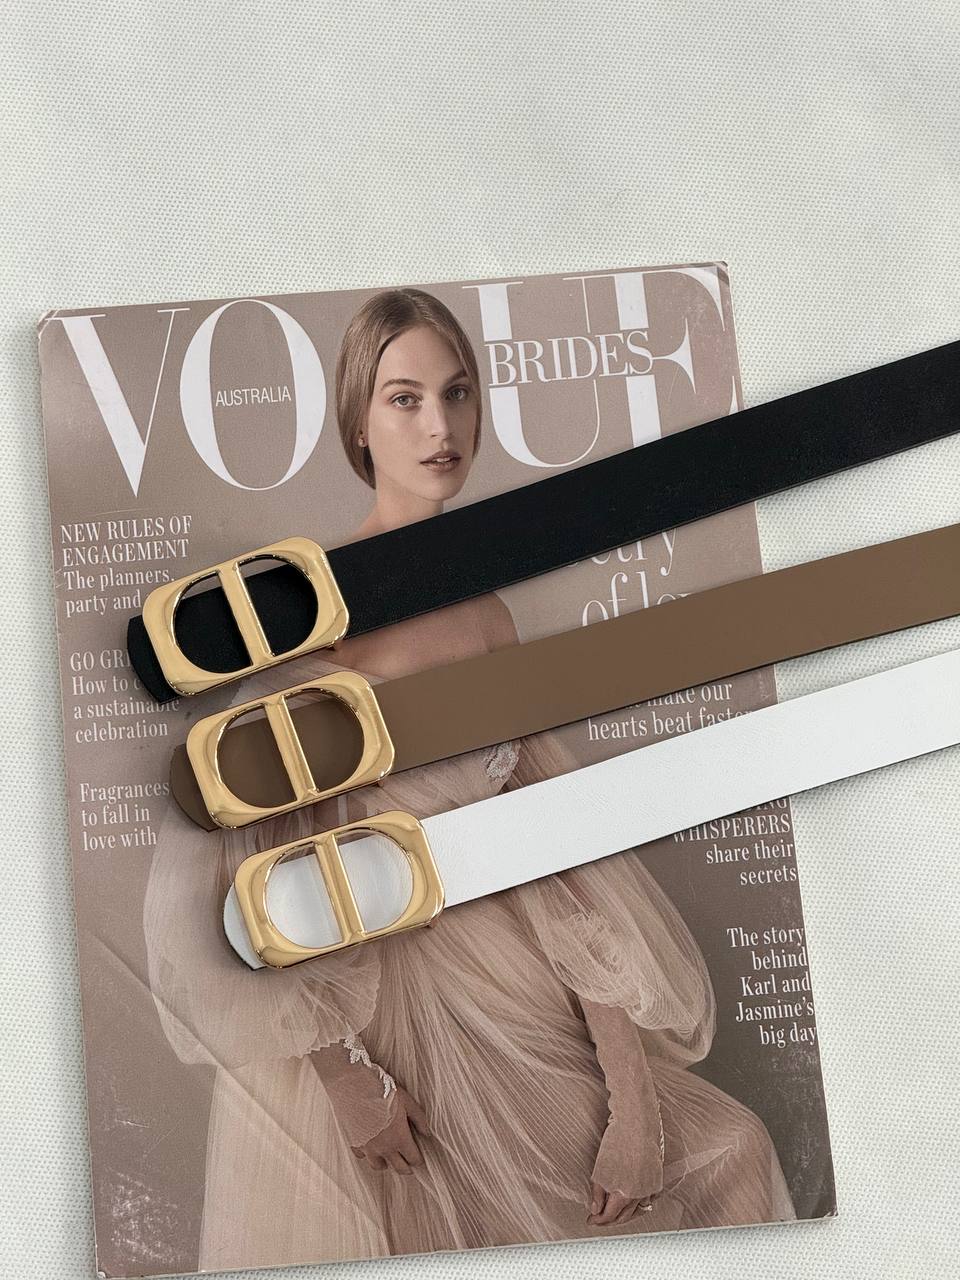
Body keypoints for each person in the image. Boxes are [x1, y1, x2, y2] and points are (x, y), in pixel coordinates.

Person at [144, 288, 794, 1272]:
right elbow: (249, 865)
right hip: (390, 1006)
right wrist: (344, 1076)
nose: (439, 427)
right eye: (404, 399)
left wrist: (633, 1096)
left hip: (517, 975)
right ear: (358, 421)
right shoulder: (309, 608)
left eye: (456, 394)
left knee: (728, 1150)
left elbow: (554, 843)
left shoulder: (489, 615)